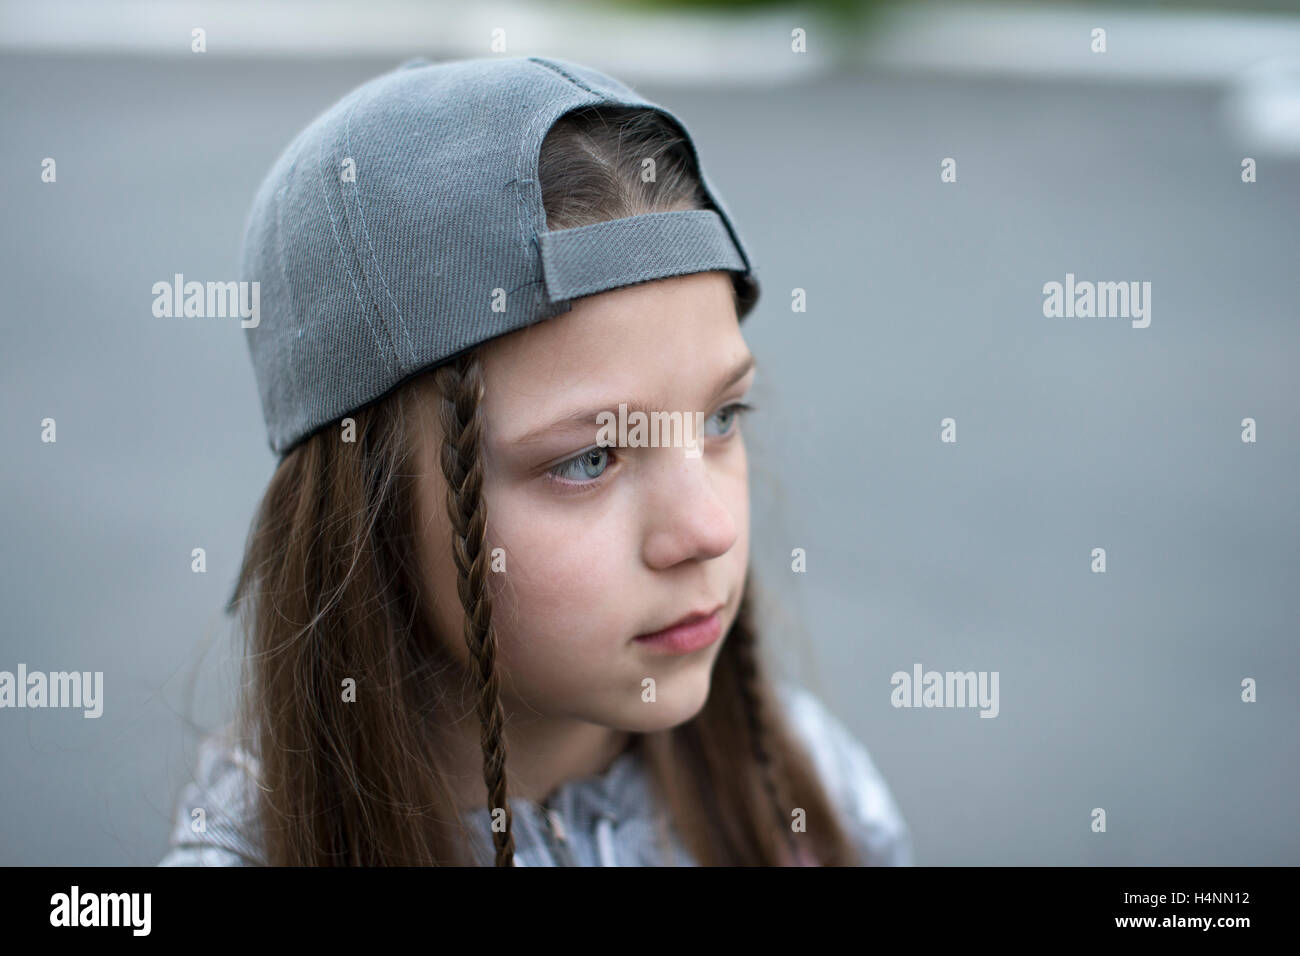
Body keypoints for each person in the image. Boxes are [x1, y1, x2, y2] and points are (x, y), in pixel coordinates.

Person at [158, 55, 912, 867]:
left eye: (720, 418)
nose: (710, 529)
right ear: (363, 509)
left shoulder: (806, 789)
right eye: (590, 460)